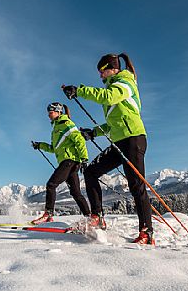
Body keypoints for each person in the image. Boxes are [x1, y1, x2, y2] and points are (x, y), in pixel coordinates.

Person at [62, 53, 154, 245]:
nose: (100, 76)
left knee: (136, 186)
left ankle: (146, 232)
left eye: (102, 72)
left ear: (112, 68)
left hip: (133, 139)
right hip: (120, 141)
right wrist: (93, 133)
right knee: (90, 172)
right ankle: (97, 217)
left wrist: (80, 91)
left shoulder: (124, 83)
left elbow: (108, 96)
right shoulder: (114, 86)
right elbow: (113, 124)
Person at [31, 102, 106, 229]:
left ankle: (48, 214)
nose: (49, 114)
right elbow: (54, 148)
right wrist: (40, 145)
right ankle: (90, 218)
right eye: (48, 112)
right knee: (76, 193)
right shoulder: (56, 129)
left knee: (51, 185)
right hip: (68, 162)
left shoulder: (66, 124)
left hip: (70, 161)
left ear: (59, 112)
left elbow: (80, 140)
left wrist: (84, 159)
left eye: (51, 112)